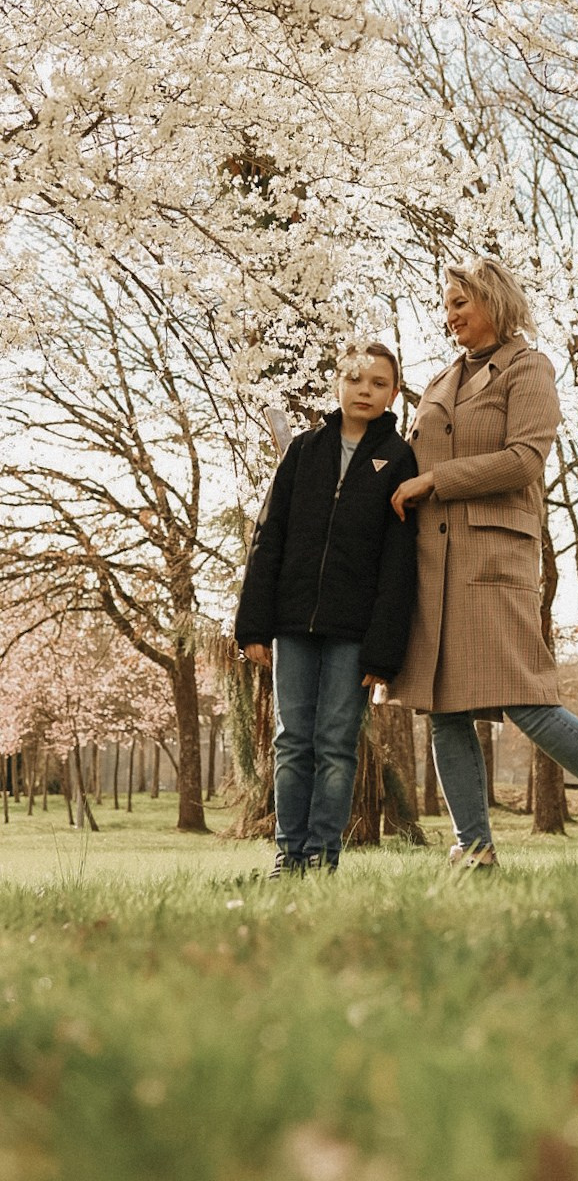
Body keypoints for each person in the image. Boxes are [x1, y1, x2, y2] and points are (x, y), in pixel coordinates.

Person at [390, 258, 578, 868]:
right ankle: (475, 849)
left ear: (493, 301)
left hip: (493, 559)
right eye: (446, 306)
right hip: (431, 564)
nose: (450, 317)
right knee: (444, 708)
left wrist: (436, 481)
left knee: (527, 699)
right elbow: (409, 465)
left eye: (459, 305)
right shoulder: (441, 379)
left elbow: (524, 460)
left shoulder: (529, 367)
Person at [235, 341, 417, 876]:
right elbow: (269, 538)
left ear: (394, 393)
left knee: (336, 743)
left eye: (379, 383)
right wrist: (253, 625)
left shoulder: (400, 458)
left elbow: (399, 562)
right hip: (293, 624)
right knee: (292, 741)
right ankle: (287, 855)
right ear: (338, 383)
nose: (366, 390)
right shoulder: (305, 451)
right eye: (356, 379)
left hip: (354, 633)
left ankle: (322, 855)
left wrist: (383, 651)